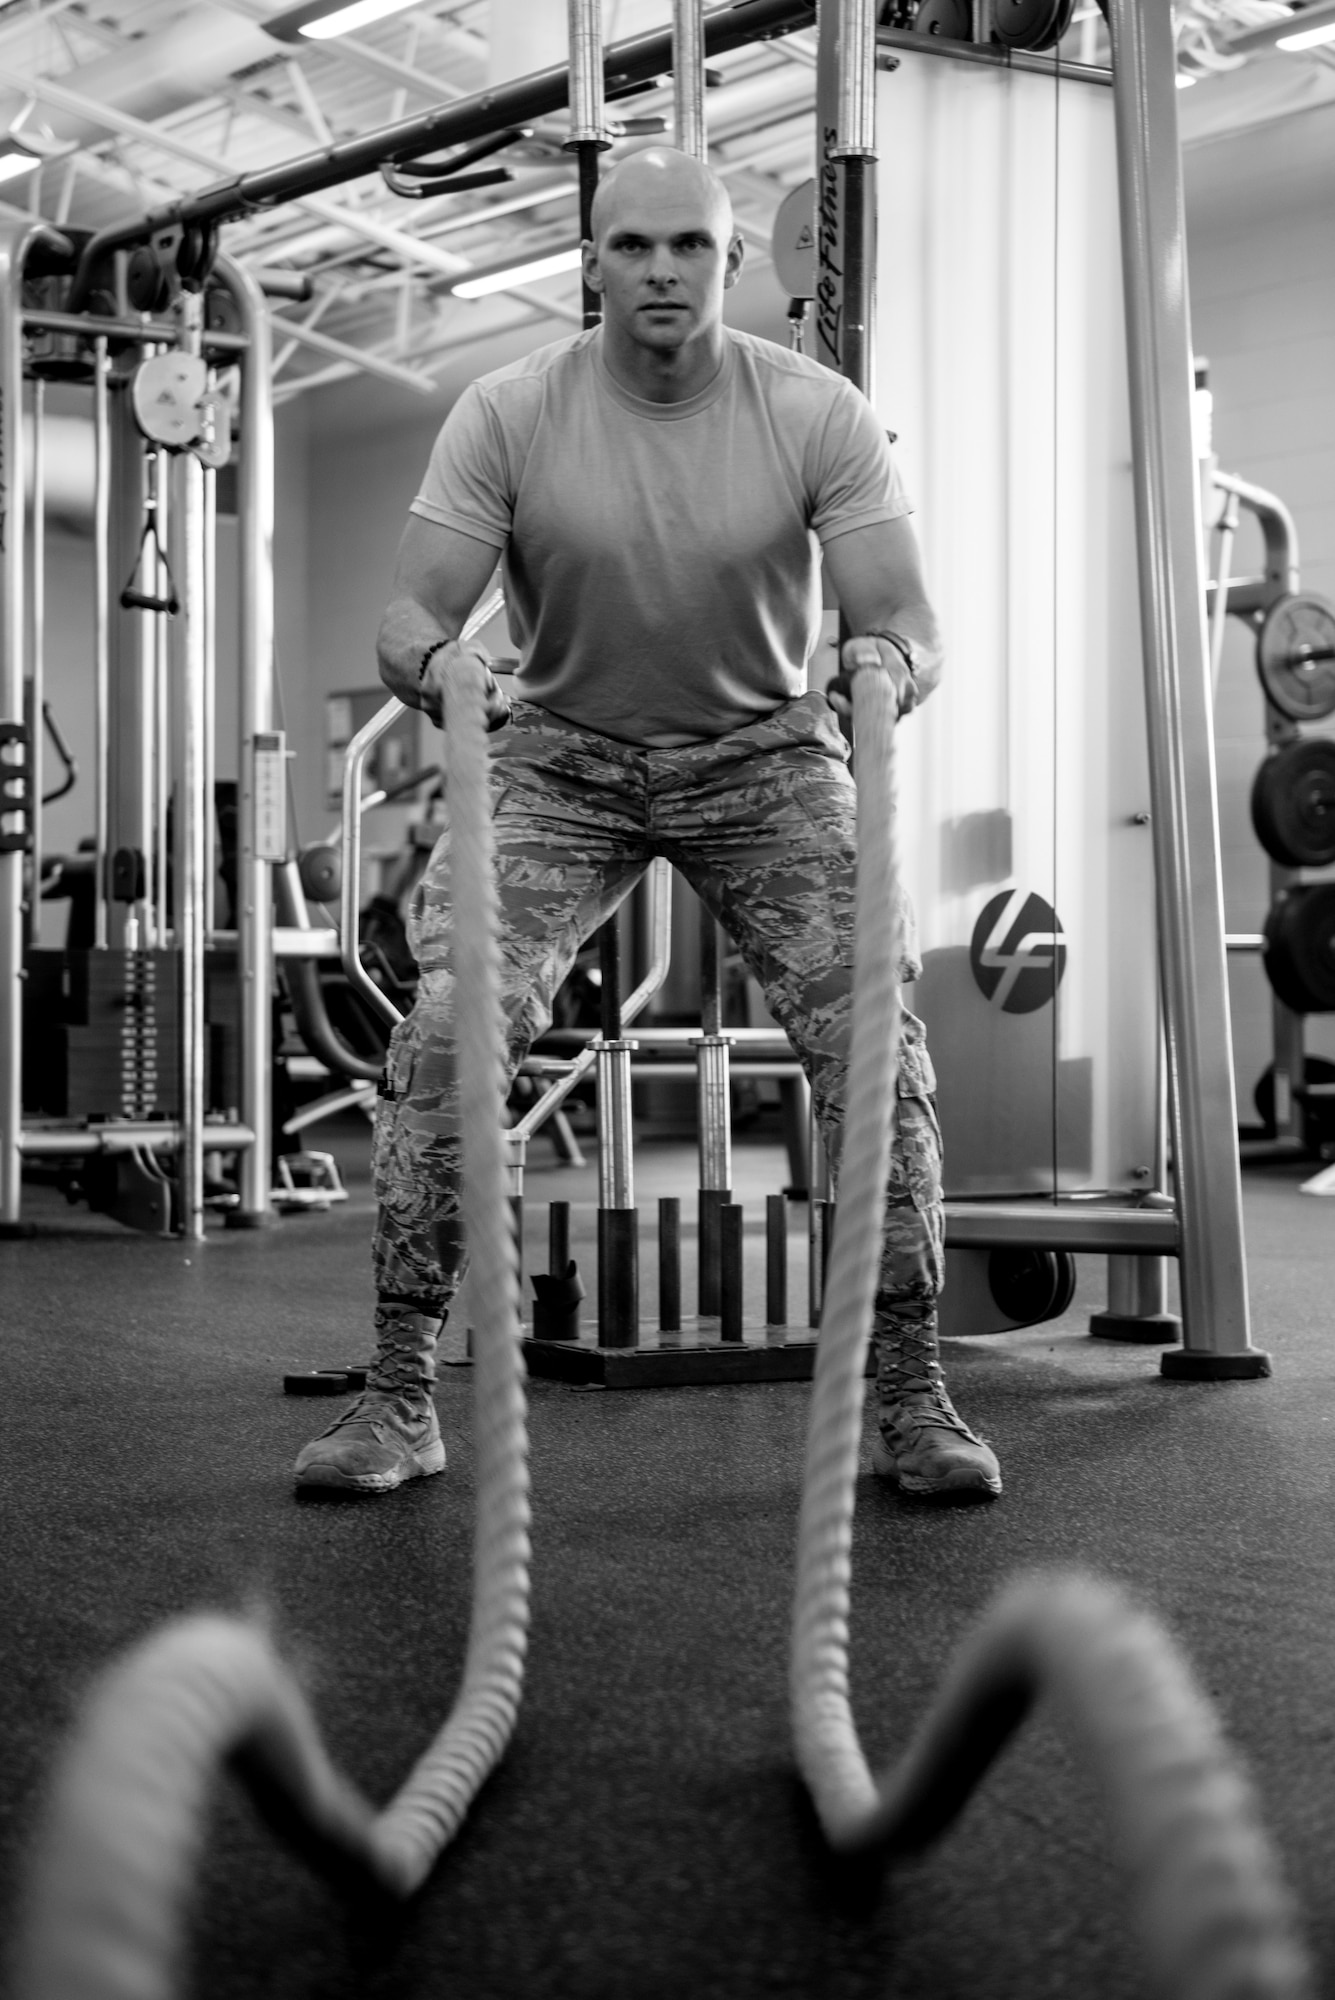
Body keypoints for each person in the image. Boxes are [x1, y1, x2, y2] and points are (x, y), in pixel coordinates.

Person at [295, 147, 1001, 1503]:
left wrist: (887, 666)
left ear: (733, 263)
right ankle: (398, 1393)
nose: (661, 270)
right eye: (632, 248)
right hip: (562, 757)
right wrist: (433, 663)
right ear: (591, 264)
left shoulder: (815, 411)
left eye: (689, 246)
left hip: (761, 759)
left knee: (874, 1038)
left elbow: (905, 618)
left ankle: (912, 1390)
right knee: (449, 1031)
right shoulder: (508, 411)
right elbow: (411, 613)